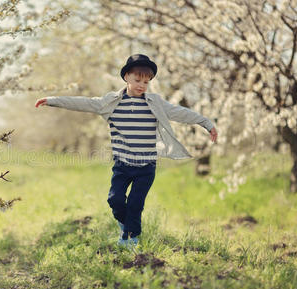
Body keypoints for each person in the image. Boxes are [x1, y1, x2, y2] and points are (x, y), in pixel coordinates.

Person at [35, 54, 218, 247]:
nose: (141, 85)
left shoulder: (154, 103)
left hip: (146, 166)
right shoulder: (111, 103)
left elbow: (181, 113)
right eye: (137, 80)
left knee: (135, 204)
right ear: (126, 77)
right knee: (115, 200)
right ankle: (125, 226)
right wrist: (52, 100)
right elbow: (84, 103)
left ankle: (132, 238)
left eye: (146, 82)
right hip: (122, 165)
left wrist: (206, 123)